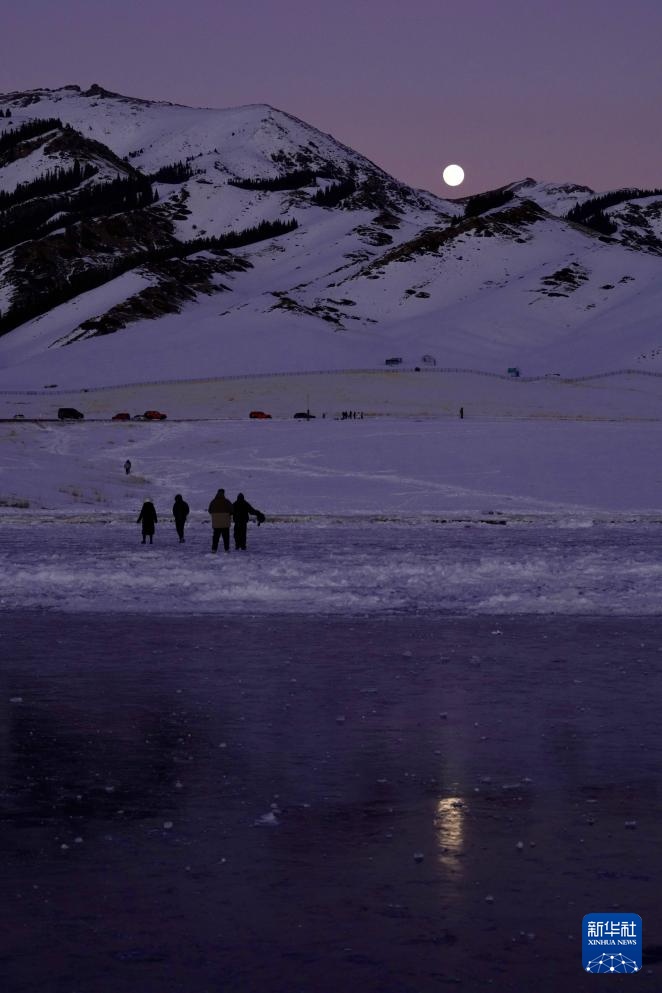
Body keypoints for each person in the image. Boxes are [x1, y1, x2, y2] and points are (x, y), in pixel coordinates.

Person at [208, 488, 233, 552]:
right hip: (225, 522)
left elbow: (210, 510)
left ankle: (214, 549)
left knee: (216, 536)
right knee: (226, 537)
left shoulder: (213, 501)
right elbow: (232, 510)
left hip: (216, 523)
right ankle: (226, 549)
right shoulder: (227, 501)